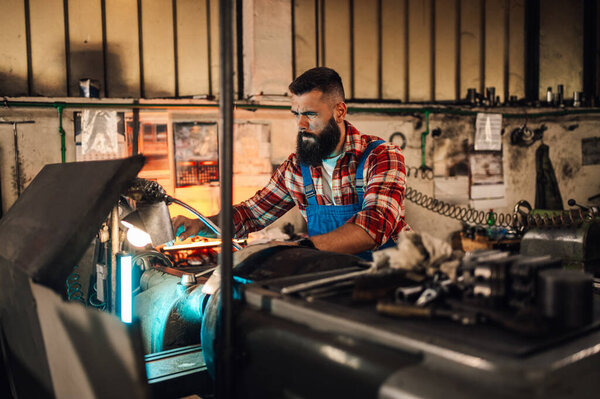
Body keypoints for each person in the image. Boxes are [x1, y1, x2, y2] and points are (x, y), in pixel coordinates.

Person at [173, 67, 410, 258]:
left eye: (310, 114)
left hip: (394, 283)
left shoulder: (381, 157)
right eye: (296, 114)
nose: (300, 125)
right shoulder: (297, 169)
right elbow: (250, 214)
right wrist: (202, 224)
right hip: (335, 281)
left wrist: (298, 249)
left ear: (339, 112)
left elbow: (372, 228)